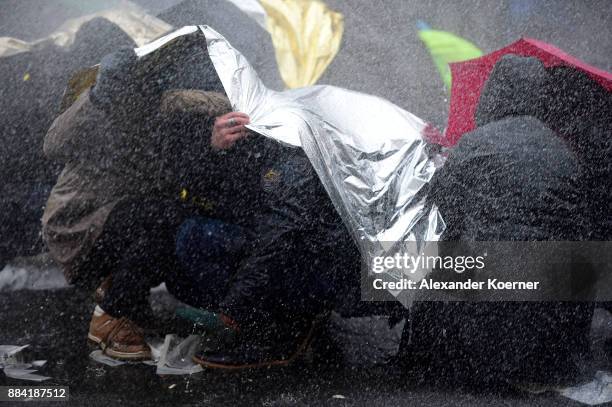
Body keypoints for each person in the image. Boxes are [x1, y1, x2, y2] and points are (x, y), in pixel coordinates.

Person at [42, 43, 250, 360]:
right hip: (77, 228)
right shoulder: (98, 115)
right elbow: (53, 144)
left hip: (116, 221)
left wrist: (242, 106)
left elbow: (194, 102)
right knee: (164, 218)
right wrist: (99, 97)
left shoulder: (151, 106)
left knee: (170, 219)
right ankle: (111, 314)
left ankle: (130, 309)